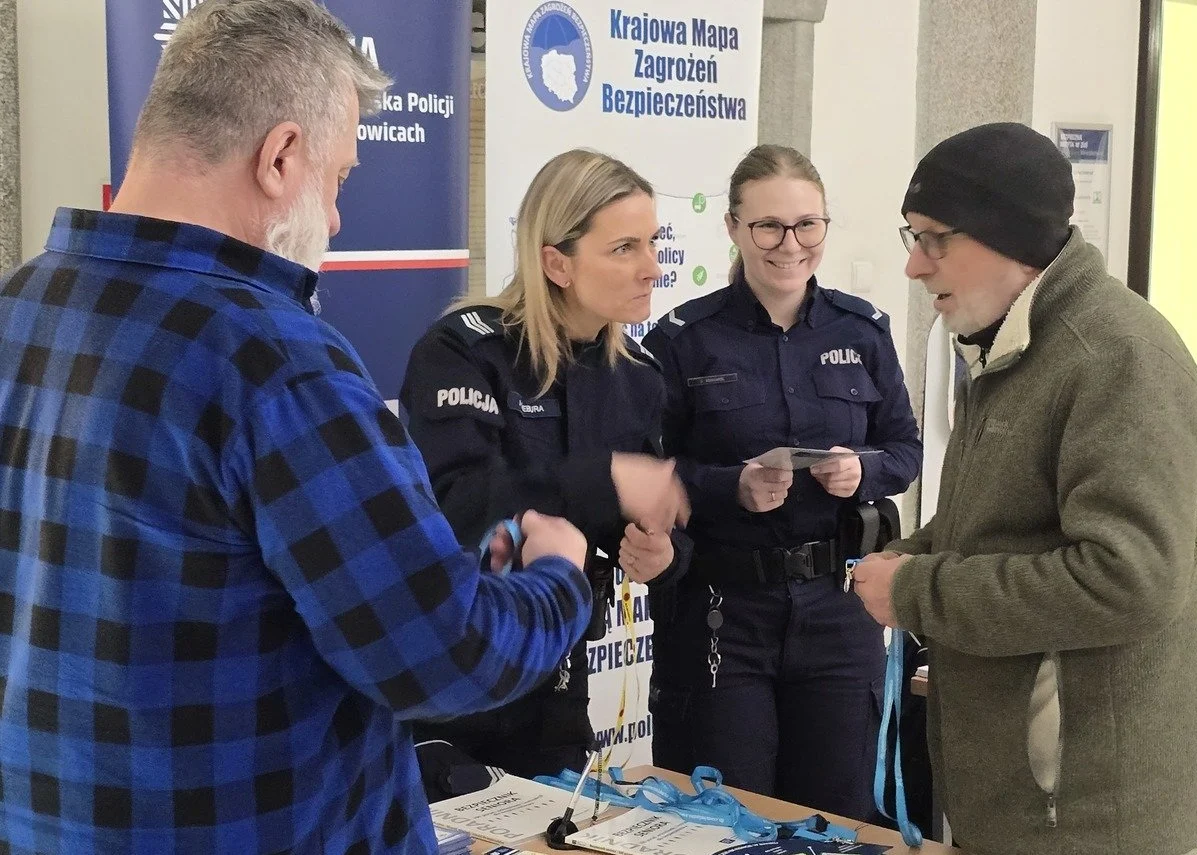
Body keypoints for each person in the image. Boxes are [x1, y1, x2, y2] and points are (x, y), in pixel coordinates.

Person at [0, 2, 595, 852]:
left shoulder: (20, 304)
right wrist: (557, 577)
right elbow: (441, 655)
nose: (340, 217)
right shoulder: (275, 357)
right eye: (340, 177)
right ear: (279, 155)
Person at [852, 122, 1197, 855]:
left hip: (1083, 823)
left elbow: (1130, 579)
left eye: (933, 237)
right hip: (1015, 810)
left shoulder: (1113, 355)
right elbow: (1001, 521)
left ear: (1004, 235)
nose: (914, 265)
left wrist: (917, 589)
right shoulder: (1009, 340)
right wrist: (910, 553)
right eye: (909, 237)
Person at [641, 144, 922, 818]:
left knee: (837, 814)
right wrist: (726, 486)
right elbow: (645, 475)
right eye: (767, 225)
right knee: (725, 816)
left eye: (806, 225)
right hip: (722, 612)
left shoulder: (864, 330)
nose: (788, 244)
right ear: (734, 227)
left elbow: (905, 448)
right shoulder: (682, 340)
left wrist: (863, 470)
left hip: (836, 608)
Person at [400, 148, 692, 785]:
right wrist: (605, 479)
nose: (652, 268)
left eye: (654, 242)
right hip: (452, 681)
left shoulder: (637, 377)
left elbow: (640, 530)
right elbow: (458, 508)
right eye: (624, 248)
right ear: (555, 261)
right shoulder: (463, 350)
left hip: (560, 685)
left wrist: (660, 557)